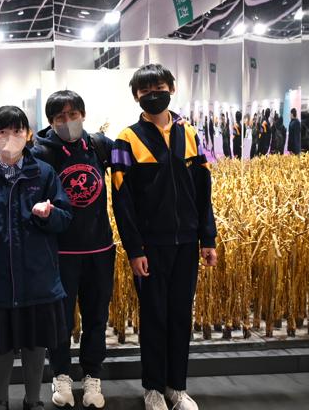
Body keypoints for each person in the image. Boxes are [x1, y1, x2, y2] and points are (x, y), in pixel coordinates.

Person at [0, 90, 115, 409]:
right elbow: (4, 156)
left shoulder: (98, 146)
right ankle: (59, 375)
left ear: (83, 115)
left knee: (95, 318)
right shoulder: (40, 154)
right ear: (49, 122)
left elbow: (66, 210)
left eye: (73, 115)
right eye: (60, 117)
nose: (68, 121)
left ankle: (92, 377)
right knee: (55, 325)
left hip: (95, 250)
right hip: (53, 256)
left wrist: (51, 214)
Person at [111, 64, 217, 410]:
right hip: (150, 247)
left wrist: (208, 238)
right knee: (154, 317)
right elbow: (122, 200)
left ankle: (177, 387)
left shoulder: (190, 134)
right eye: (145, 90)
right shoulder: (126, 140)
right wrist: (134, 249)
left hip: (186, 243)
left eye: (159, 87)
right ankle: (153, 388)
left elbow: (203, 191)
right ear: (136, 96)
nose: (153, 94)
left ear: (172, 88)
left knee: (180, 316)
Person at [0, 105, 71, 410]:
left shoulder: (44, 173)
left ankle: (33, 399)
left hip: (37, 277)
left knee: (36, 343)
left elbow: (65, 217)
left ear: (28, 134)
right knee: (1, 344)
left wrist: (48, 215)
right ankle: (0, 398)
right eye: (2, 131)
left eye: (17, 131)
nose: (10, 137)